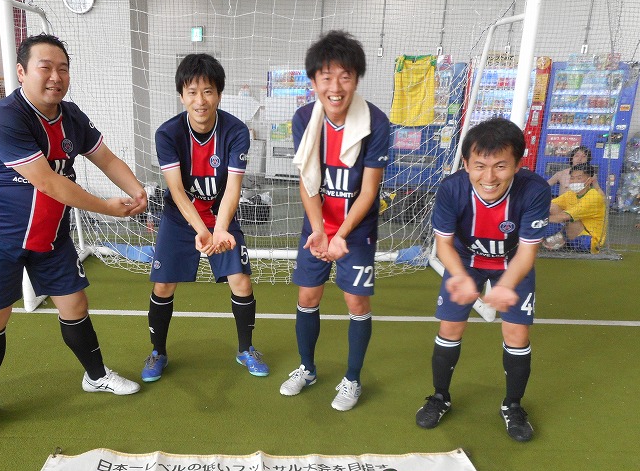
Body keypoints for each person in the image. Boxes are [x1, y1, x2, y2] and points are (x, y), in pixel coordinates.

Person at [0, 34, 148, 441]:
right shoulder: (5, 118)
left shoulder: (72, 116)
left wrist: (137, 191)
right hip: (1, 236)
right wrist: (107, 208)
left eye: (62, 68)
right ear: (22, 72)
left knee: (75, 305)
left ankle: (95, 376)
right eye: (45, 67)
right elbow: (48, 182)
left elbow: (106, 158)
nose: (55, 77)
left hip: (52, 236)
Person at [415, 117, 551, 442]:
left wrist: (506, 285)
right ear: (466, 163)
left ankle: (513, 405)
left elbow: (527, 252)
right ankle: (439, 397)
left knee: (517, 333)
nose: (489, 177)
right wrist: (461, 278)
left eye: (500, 166)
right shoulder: (452, 189)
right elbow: (444, 245)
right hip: (465, 261)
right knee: (450, 327)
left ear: (518, 164)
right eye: (479, 166)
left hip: (512, 263)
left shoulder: (535, 190)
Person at [140, 53, 268, 382]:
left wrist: (220, 230)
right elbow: (176, 190)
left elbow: (233, 188)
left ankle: (246, 349)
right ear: (182, 95)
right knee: (163, 284)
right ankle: (157, 352)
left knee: (241, 280)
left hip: (219, 217)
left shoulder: (236, 131)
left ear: (219, 94)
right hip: (180, 219)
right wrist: (202, 231)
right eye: (192, 92)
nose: (200, 100)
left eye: (208, 91)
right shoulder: (168, 134)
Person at [280, 30, 390, 411]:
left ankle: (352, 379)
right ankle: (307, 369)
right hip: (317, 229)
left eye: (345, 76)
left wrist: (340, 234)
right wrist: (319, 231)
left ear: (356, 79)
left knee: (356, 301)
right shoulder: (303, 119)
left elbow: (369, 190)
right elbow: (307, 181)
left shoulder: (376, 122)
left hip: (355, 231)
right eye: (326, 77)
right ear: (313, 82)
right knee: (307, 296)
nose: (335, 87)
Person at [543, 163, 606, 253]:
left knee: (567, 217)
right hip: (574, 233)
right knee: (551, 207)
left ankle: (560, 237)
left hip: (588, 241)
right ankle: (560, 238)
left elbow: (565, 217)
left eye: (579, 178)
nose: (574, 181)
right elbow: (549, 206)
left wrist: (538, 221)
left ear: (589, 180)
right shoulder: (571, 194)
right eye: (572, 178)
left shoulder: (594, 196)